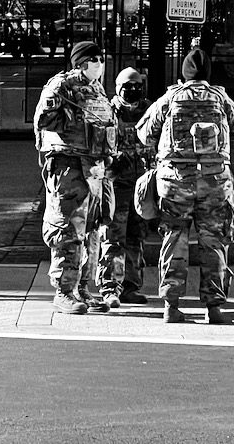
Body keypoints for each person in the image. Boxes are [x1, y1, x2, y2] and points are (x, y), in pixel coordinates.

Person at [137, 46, 234, 325]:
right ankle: (213, 308)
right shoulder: (222, 98)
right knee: (214, 243)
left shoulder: (170, 98)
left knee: (173, 240)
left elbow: (145, 134)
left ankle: (171, 305)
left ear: (184, 73)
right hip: (215, 184)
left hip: (175, 183)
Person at [33, 40, 117, 315]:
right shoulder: (61, 85)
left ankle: (82, 289)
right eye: (94, 59)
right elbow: (42, 119)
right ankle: (64, 291)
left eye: (100, 59)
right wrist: (75, 123)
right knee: (68, 229)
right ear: (81, 62)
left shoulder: (96, 87)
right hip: (69, 165)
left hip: (95, 166)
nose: (99, 64)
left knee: (91, 230)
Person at [98, 67, 152, 308]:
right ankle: (110, 288)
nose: (133, 90)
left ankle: (130, 286)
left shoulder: (150, 112)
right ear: (117, 88)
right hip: (116, 187)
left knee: (135, 237)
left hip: (141, 189)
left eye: (137, 85)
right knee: (113, 238)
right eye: (127, 86)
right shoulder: (107, 112)